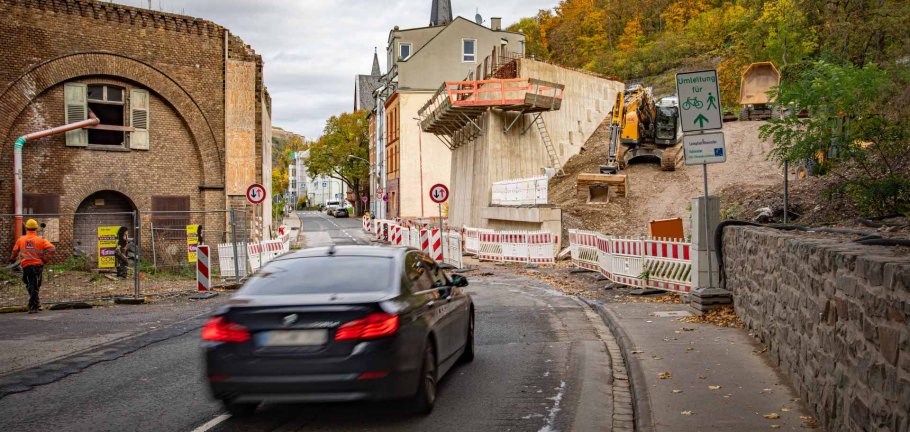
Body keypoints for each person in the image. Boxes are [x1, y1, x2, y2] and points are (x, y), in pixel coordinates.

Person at [9, 219, 56, 313]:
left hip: (26, 266)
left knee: (30, 285)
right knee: (35, 285)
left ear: (26, 228)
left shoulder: (21, 240)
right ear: (36, 228)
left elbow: (14, 251)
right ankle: (35, 304)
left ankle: (34, 305)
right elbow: (52, 248)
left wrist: (12, 259)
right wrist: (45, 259)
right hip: (38, 266)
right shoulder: (41, 240)